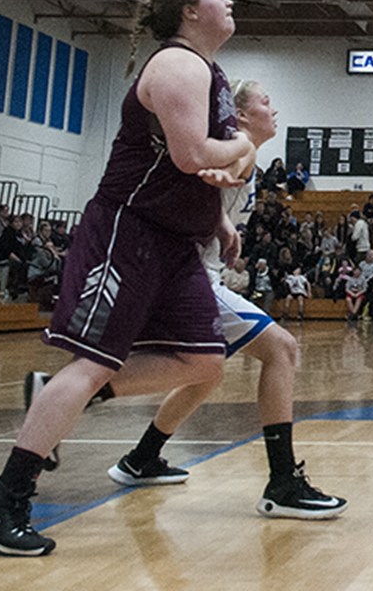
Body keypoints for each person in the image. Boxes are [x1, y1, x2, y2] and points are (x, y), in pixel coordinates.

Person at [0, 0, 270, 558]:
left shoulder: (210, 71)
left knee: (202, 362)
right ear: (187, 11)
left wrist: (221, 211)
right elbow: (194, 155)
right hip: (129, 232)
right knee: (95, 361)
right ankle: (0, 502)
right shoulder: (178, 63)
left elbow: (213, 171)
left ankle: (60, 395)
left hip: (176, 242)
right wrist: (246, 145)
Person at [96, 79, 346, 518]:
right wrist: (224, 189)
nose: (274, 108)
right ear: (243, 114)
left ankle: (141, 458)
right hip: (186, 277)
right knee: (281, 349)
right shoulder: (239, 145)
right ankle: (283, 481)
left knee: (205, 373)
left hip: (186, 273)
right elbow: (217, 172)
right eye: (266, 102)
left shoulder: (236, 149)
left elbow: (201, 186)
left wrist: (221, 222)